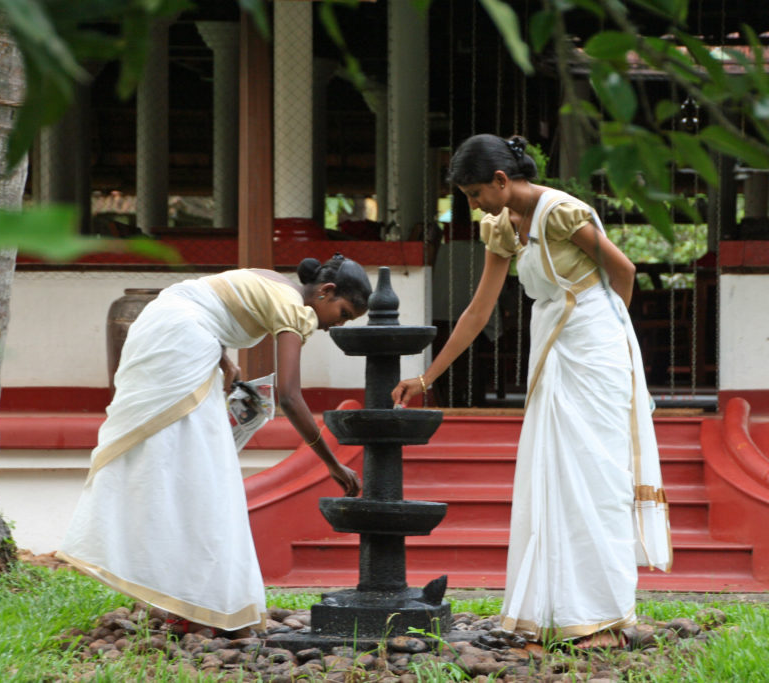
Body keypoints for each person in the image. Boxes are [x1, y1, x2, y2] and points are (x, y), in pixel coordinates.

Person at [392, 134, 672, 648]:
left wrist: (610, 338)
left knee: (596, 475)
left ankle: (607, 619)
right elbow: (479, 310)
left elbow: (624, 271)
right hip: (554, 349)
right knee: (556, 477)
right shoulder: (501, 225)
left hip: (595, 347)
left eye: (476, 193)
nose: (473, 204)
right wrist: (426, 377)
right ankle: (560, 611)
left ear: (501, 181)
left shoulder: (562, 212)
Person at [59, 255, 369, 636]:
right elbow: (289, 396)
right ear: (326, 291)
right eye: (344, 312)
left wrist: (222, 356)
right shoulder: (294, 308)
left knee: (178, 471)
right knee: (203, 479)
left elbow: (204, 299)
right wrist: (332, 464)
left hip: (160, 327)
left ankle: (185, 598)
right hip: (180, 345)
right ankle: (208, 604)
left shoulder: (275, 281)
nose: (338, 324)